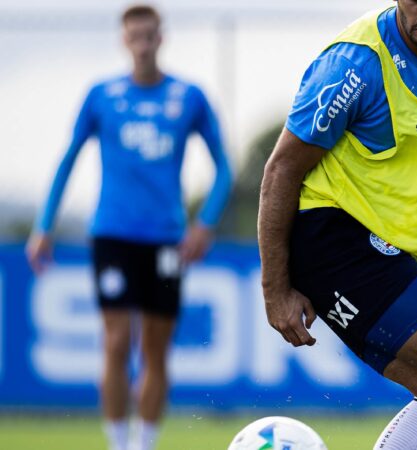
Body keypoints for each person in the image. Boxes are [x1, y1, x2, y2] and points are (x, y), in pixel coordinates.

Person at [257, 1, 417, 448]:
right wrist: (275, 290)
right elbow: (280, 171)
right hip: (331, 240)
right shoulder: (352, 67)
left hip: (384, 247)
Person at [25, 5, 232, 450]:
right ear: (124, 40)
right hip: (113, 234)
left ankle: (144, 444)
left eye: (149, 35)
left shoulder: (188, 96)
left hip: (167, 239)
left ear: (162, 38)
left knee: (155, 350)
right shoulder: (101, 95)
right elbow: (67, 160)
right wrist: (44, 226)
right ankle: (118, 444)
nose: (142, 44)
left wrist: (206, 223)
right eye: (134, 36)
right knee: (116, 342)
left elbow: (224, 168)